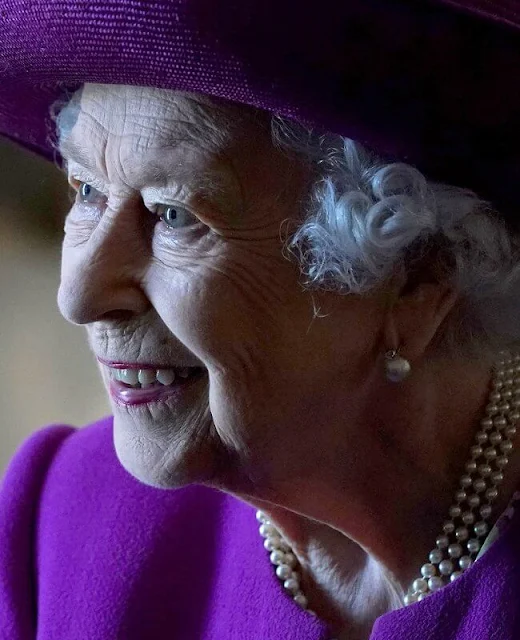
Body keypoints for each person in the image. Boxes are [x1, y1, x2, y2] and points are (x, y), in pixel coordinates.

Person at [1, 1, 520, 639]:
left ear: (416, 281)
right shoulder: (60, 522)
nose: (79, 296)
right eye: (87, 191)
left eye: (173, 215)